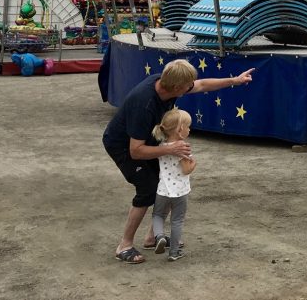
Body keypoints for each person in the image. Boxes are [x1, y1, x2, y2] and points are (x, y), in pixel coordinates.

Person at [102, 59, 254, 264]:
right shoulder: (144, 104)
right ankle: (125, 245)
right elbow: (135, 151)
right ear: (175, 87)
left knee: (168, 184)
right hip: (124, 145)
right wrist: (171, 148)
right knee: (147, 188)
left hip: (147, 140)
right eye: (187, 85)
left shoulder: (166, 83)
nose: (192, 85)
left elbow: (201, 85)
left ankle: (152, 237)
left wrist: (235, 80)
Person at [150, 109, 195, 262]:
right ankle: (174, 252)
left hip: (163, 189)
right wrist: (194, 164)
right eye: (188, 126)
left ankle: (159, 236)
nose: (190, 129)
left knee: (157, 215)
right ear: (180, 130)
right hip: (180, 192)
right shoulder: (182, 148)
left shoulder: (162, 146)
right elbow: (186, 169)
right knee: (177, 220)